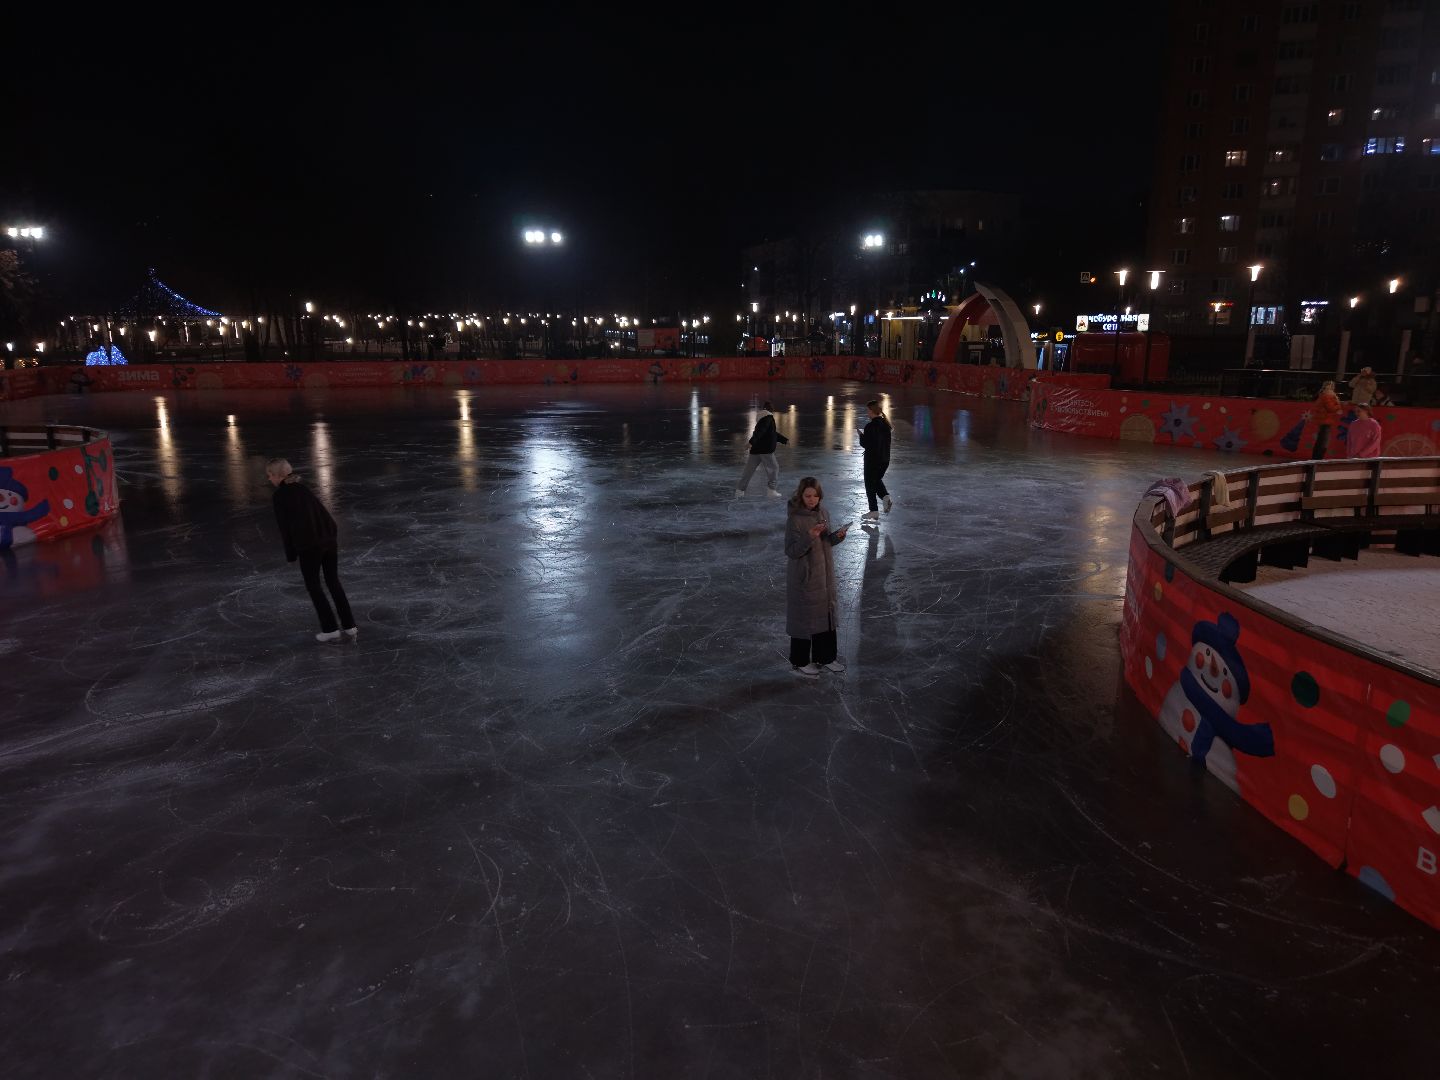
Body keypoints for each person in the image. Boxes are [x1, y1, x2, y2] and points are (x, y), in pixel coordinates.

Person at [267, 457, 358, 643]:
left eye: (269, 475)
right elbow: (324, 516)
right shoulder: (303, 489)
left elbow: (285, 528)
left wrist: (291, 555)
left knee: (314, 586)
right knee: (333, 581)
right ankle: (349, 626)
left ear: (277, 476)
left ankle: (330, 628)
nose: (269, 479)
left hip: (310, 546)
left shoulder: (280, 496)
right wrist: (331, 536)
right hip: (328, 541)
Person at [784, 476, 849, 677]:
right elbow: (792, 551)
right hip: (805, 576)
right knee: (803, 619)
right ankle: (800, 661)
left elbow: (826, 541)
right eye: (807, 495)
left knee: (825, 617)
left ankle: (826, 657)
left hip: (824, 575)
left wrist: (837, 537)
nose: (812, 499)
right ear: (801, 496)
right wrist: (810, 535)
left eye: (815, 495)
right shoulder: (795, 518)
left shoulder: (823, 512)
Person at [735, 400, 788, 497]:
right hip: (765, 450)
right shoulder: (768, 418)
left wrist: (784, 440)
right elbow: (760, 431)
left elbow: (771, 434)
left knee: (748, 471)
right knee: (774, 468)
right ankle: (771, 490)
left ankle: (739, 491)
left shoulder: (761, 418)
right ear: (771, 409)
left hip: (756, 449)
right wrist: (751, 442)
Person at [857, 398, 893, 522]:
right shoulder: (886, 425)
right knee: (876, 480)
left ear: (872, 411)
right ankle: (885, 497)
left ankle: (874, 511)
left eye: (868, 410)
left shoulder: (870, 426)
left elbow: (866, 444)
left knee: (869, 484)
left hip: (872, 460)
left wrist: (861, 436)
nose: (867, 413)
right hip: (885, 460)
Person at [1310, 380, 1343, 459]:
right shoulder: (1327, 396)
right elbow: (1331, 408)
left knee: (1320, 442)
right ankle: (1317, 460)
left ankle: (1315, 460)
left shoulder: (1323, 395)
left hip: (1324, 421)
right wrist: (1338, 404)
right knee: (1323, 443)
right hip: (1325, 421)